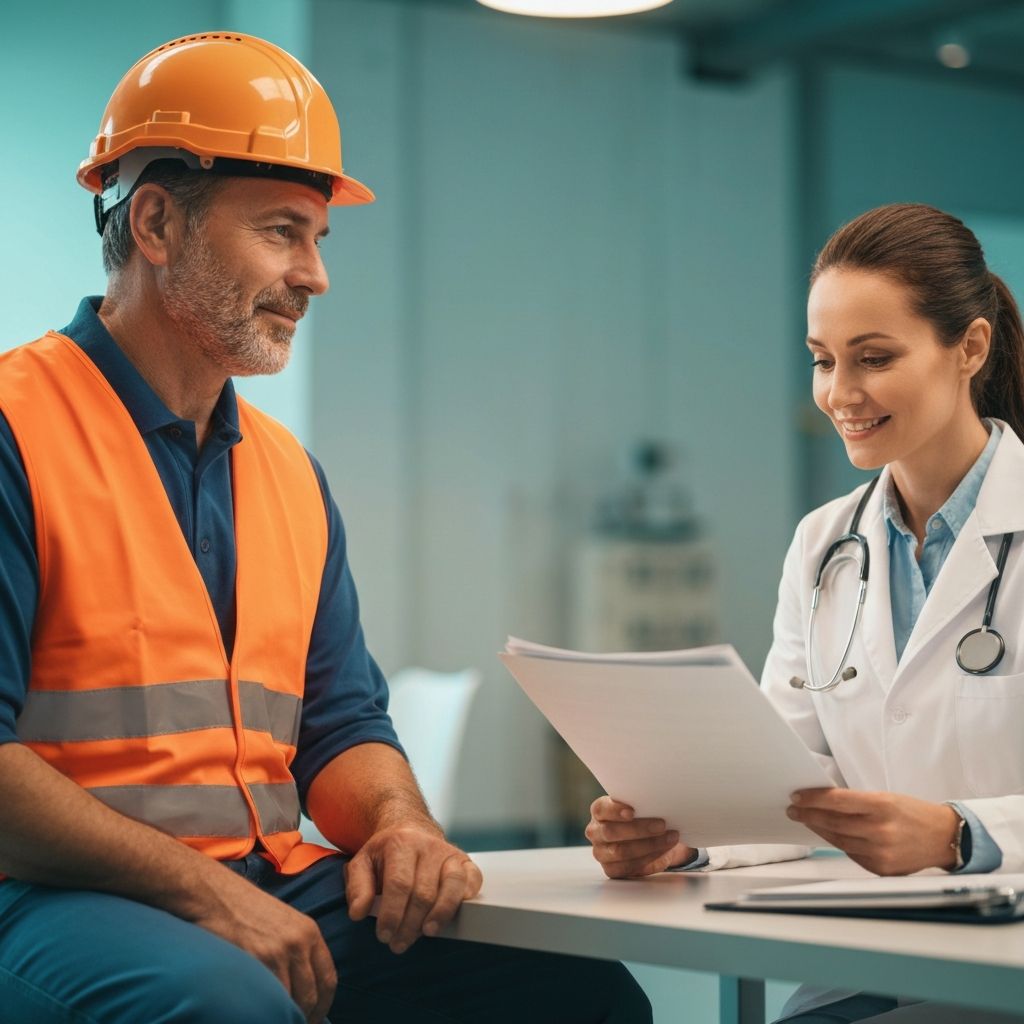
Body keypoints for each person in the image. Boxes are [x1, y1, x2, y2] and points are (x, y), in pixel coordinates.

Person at [0, 31, 652, 1024]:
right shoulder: (15, 429)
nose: (315, 275)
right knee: (227, 1004)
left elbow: (341, 724)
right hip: (45, 899)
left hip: (262, 878)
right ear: (158, 222)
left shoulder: (287, 473)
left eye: (318, 237)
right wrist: (200, 889)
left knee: (575, 989)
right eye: (279, 231)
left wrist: (399, 825)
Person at [585, 202, 1024, 1022]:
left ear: (969, 347)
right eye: (823, 360)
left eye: (874, 358)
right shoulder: (826, 543)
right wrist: (685, 833)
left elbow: (941, 828)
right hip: (868, 958)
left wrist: (957, 834)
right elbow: (784, 778)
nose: (840, 393)